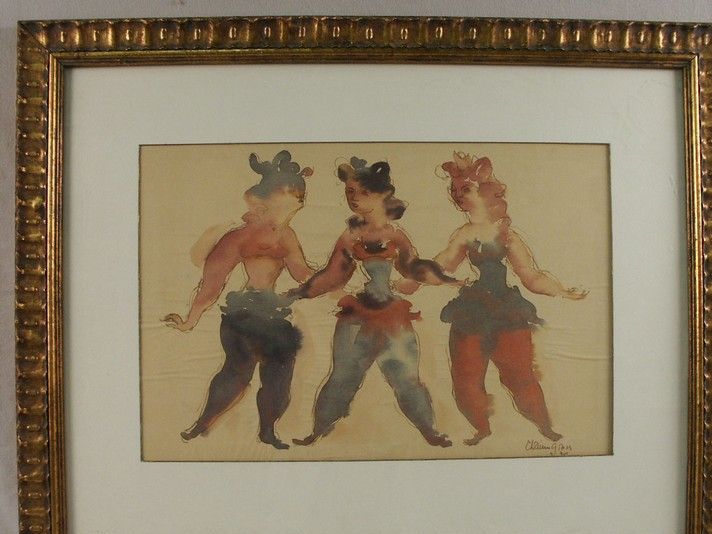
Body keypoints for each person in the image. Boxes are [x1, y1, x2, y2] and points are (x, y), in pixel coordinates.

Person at [400, 152, 587, 445]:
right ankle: (481, 427)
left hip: (506, 310)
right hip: (471, 311)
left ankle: (544, 426)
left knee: (520, 376)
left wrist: (561, 291)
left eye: (465, 189)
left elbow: (531, 276)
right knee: (466, 377)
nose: (457, 196)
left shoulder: (507, 235)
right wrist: (413, 280)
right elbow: (444, 264)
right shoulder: (465, 234)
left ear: (485, 193)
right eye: (455, 190)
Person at [290, 157, 461, 448]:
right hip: (356, 316)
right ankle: (317, 431)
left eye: (363, 192)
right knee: (342, 377)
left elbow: (412, 268)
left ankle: (430, 431)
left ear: (384, 194)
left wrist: (444, 279)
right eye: (349, 192)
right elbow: (332, 275)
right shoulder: (350, 236)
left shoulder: (397, 235)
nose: (354, 198)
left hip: (393, 316)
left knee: (406, 379)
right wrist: (298, 293)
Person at [164, 150, 315, 449]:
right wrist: (189, 321)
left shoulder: (287, 236)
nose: (299, 201)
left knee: (278, 381)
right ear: (266, 198)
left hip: (275, 316)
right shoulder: (238, 237)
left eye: (300, 196)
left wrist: (336, 279)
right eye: (291, 194)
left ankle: (267, 432)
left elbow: (302, 273)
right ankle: (202, 424)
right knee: (235, 375)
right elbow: (211, 283)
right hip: (243, 317)